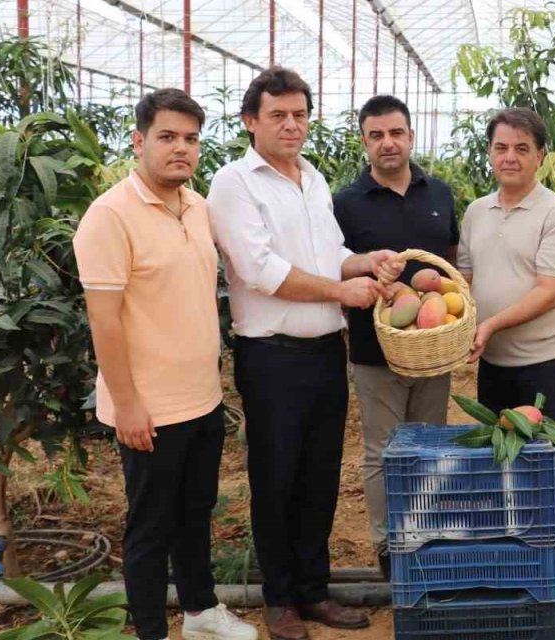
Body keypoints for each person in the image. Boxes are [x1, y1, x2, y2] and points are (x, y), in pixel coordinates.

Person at [206, 67, 402, 640]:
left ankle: (314, 591)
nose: (292, 125)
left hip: (322, 351)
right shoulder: (235, 183)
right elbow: (260, 270)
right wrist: (343, 291)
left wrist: (364, 263)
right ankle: (281, 599)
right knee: (276, 475)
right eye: (278, 116)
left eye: (299, 115)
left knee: (319, 475)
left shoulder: (312, 178)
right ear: (251, 121)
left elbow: (330, 252)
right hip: (271, 356)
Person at [74, 89, 257, 640]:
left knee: (195, 512)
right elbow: (104, 323)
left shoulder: (198, 207)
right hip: (148, 408)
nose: (182, 149)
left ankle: (201, 613)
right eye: (167, 137)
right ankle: (151, 630)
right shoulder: (109, 217)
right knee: (150, 527)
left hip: (201, 396)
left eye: (191, 139)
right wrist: (127, 404)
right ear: (139, 140)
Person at [332, 94, 458, 578]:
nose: (388, 143)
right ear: (364, 141)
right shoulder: (345, 204)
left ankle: (424, 533)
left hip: (433, 349)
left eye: (396, 133)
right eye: (376, 135)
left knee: (429, 444)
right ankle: (389, 546)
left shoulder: (439, 194)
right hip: (373, 349)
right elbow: (336, 268)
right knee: (384, 450)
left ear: (410, 135)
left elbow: (449, 260)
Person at [458, 107, 555, 426]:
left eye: (521, 148)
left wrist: (490, 324)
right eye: (501, 148)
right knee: (498, 456)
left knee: (539, 460)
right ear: (489, 153)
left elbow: (550, 292)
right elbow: (464, 279)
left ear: (540, 157)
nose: (509, 157)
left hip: (546, 361)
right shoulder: (476, 212)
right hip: (493, 360)